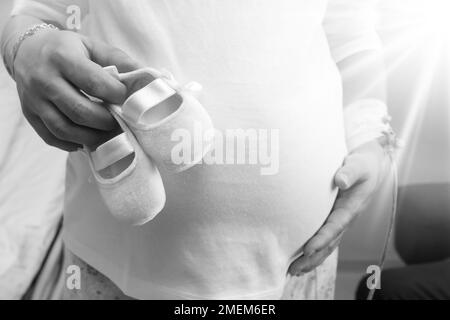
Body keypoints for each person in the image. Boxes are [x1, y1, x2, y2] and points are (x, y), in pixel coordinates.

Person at [1, 0, 393, 299]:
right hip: (114, 272)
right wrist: (24, 49)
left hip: (298, 269)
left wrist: (373, 139)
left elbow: (353, 38)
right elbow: (34, 13)